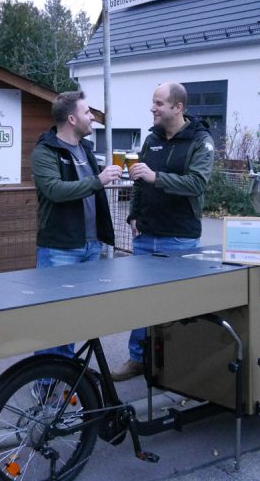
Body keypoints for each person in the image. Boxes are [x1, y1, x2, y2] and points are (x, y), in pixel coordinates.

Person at [111, 82, 215, 381]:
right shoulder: (152, 139)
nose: (152, 108)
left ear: (178, 107)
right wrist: (133, 214)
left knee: (178, 305)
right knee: (142, 302)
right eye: (153, 102)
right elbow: (140, 181)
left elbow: (197, 183)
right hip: (147, 235)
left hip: (180, 237)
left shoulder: (200, 140)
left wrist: (157, 177)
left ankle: (179, 366)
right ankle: (138, 359)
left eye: (158, 103)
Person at [31, 90, 122, 359]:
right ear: (71, 119)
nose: (92, 117)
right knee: (53, 319)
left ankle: (66, 375)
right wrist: (99, 180)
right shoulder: (45, 151)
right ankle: (46, 383)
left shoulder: (85, 149)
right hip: (60, 248)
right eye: (87, 112)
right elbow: (55, 190)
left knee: (73, 317)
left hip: (91, 246)